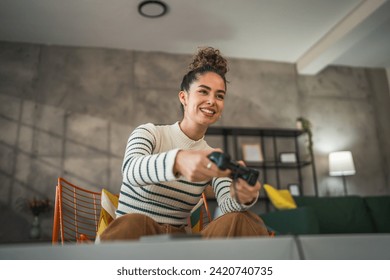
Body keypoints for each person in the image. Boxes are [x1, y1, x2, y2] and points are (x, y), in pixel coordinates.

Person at [100, 47, 269, 241]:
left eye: (220, 96)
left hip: (179, 242)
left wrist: (242, 196)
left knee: (242, 219)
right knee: (134, 221)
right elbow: (130, 171)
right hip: (136, 235)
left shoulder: (211, 154)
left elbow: (228, 206)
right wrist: (178, 161)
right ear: (184, 97)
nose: (212, 101)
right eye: (203, 92)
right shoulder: (149, 133)